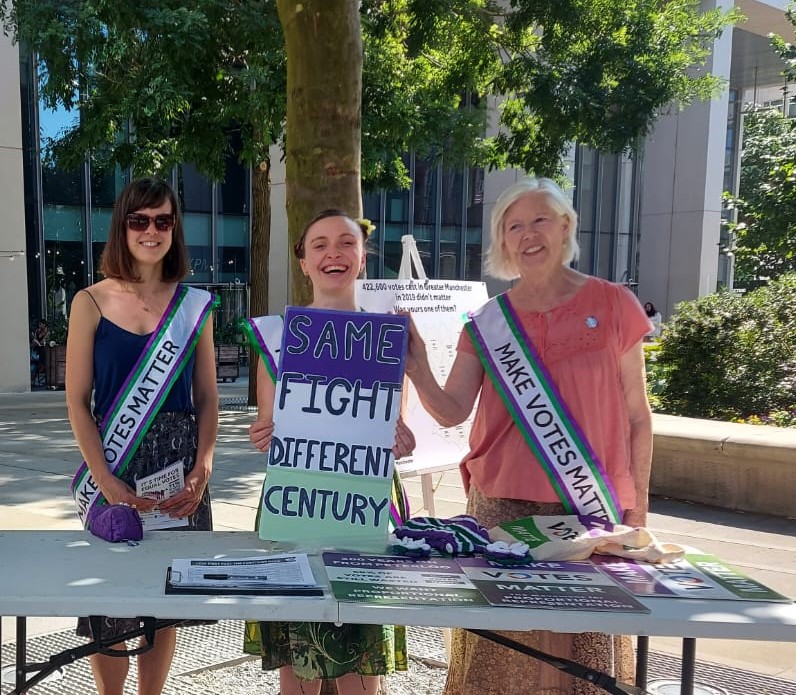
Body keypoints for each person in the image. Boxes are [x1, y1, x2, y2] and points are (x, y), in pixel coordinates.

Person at [403, 178, 653, 695]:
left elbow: (637, 417)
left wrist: (638, 508)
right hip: (501, 507)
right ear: (502, 242)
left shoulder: (613, 305)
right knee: (502, 659)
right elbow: (451, 412)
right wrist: (420, 365)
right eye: (513, 226)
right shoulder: (488, 323)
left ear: (565, 226)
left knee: (582, 658)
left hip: (586, 506)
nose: (528, 234)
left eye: (539, 220)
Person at [243, 209, 414, 695]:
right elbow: (271, 428)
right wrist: (265, 436)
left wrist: (403, 441)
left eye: (345, 243)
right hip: (299, 497)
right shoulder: (276, 338)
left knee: (362, 656)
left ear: (362, 257)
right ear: (302, 261)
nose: (332, 253)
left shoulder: (387, 337)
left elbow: (398, 426)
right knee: (299, 656)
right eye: (318, 244)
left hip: (366, 499)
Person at [64, 177, 219, 695]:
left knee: (165, 601)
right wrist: (105, 481)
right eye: (140, 220)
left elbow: (208, 399)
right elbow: (77, 402)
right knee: (109, 602)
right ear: (122, 227)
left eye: (163, 220)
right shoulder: (89, 301)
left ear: (175, 228)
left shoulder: (194, 305)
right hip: (115, 464)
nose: (151, 231)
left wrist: (203, 470)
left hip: (180, 474)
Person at [31, 319, 49, 387]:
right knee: (35, 363)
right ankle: (34, 379)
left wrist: (39, 342)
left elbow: (43, 341)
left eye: (40, 324)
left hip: (44, 350)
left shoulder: (48, 332)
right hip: (38, 350)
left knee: (40, 362)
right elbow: (34, 341)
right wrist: (35, 341)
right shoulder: (37, 331)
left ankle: (40, 369)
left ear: (44, 325)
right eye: (39, 324)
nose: (39, 326)